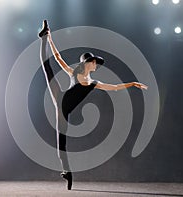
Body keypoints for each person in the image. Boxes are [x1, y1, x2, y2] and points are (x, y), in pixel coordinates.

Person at [38, 20, 148, 190]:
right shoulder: (74, 72)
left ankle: (67, 172)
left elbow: (114, 87)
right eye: (94, 62)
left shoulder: (94, 82)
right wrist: (50, 37)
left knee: (62, 143)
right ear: (87, 63)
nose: (96, 65)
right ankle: (43, 36)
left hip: (63, 111)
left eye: (96, 62)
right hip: (59, 98)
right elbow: (58, 58)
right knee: (47, 67)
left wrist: (132, 83)